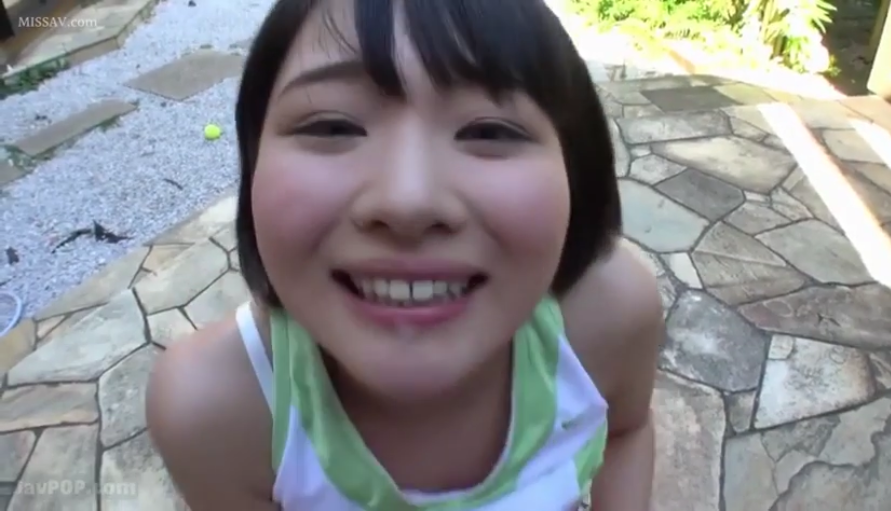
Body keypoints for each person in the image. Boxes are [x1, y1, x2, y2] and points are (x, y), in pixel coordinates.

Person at [146, 0, 664, 509]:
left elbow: (626, 432)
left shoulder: (609, 317)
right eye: (333, 126)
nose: (407, 201)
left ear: (575, 169)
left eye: (488, 131)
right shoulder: (216, 410)